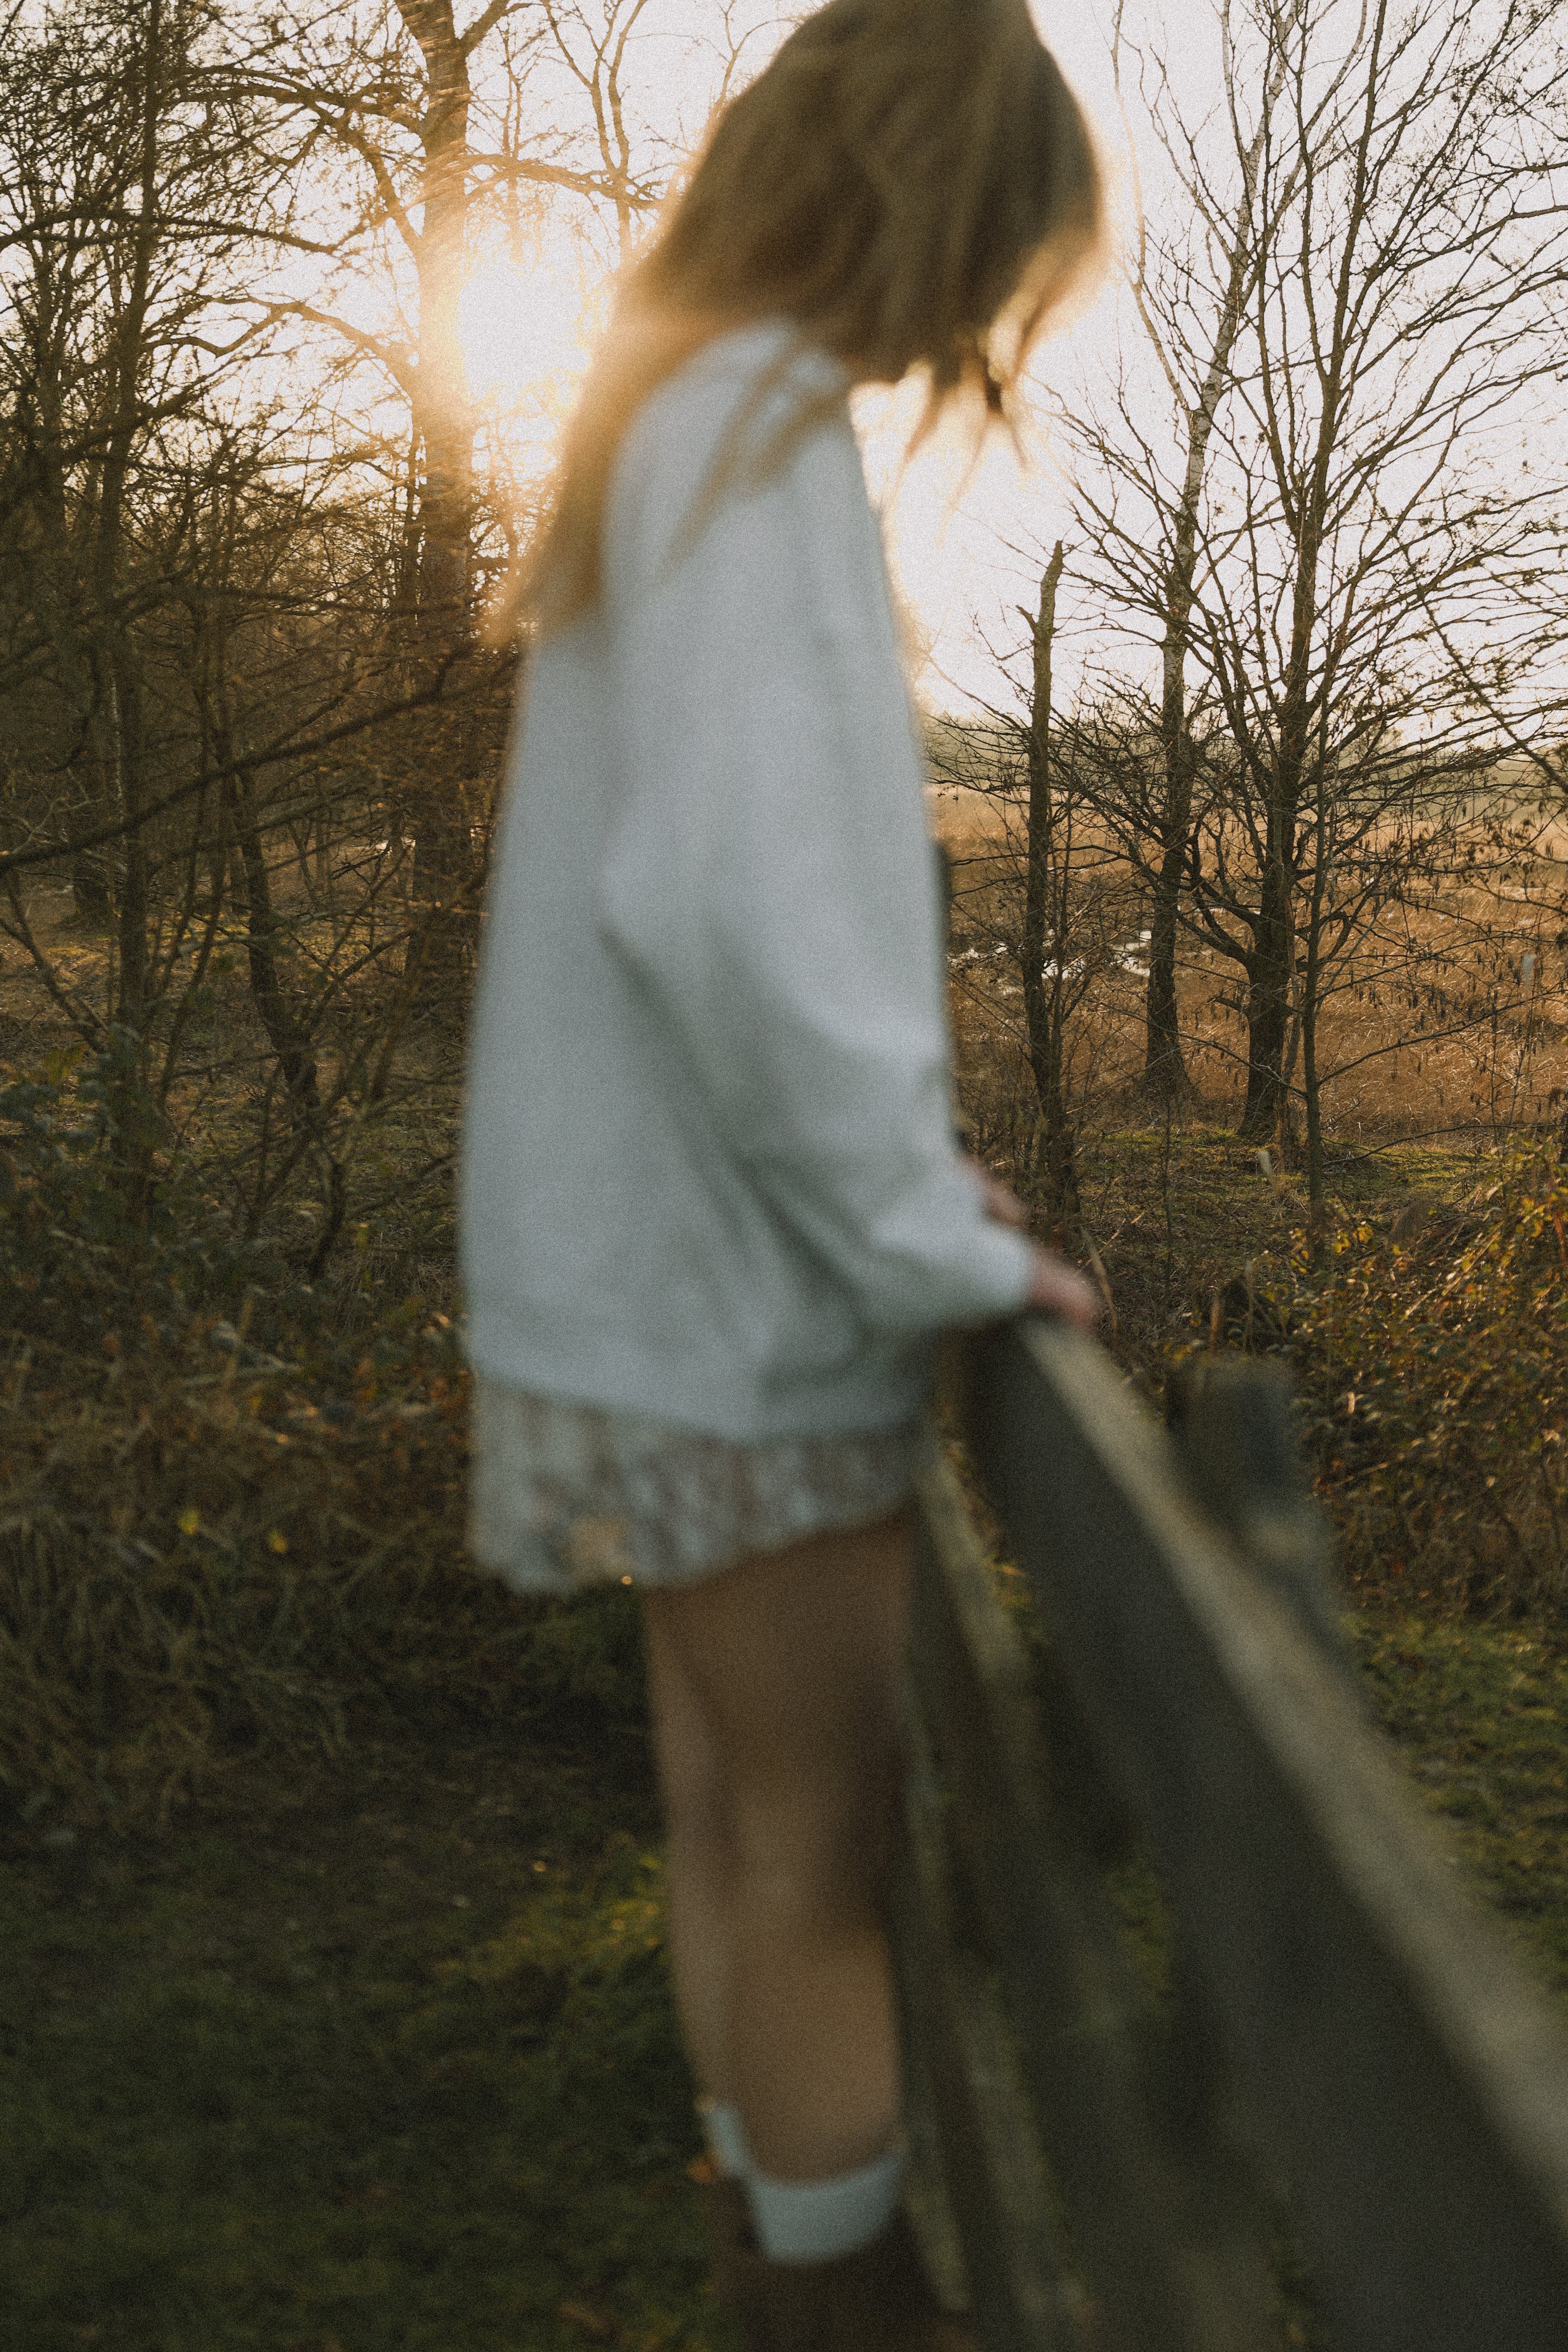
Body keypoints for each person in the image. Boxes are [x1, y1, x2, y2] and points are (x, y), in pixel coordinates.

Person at [460, 1, 1106, 2341]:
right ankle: (835, 2322)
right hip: (740, 1300)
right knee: (818, 1857)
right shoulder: (754, 438)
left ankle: (766, 2258)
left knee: (730, 1821)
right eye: (994, 258)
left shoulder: (673, 406)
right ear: (932, 190)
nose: (973, 324)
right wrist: (926, 1229)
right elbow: (737, 908)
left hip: (642, 1282)